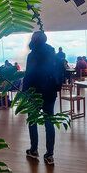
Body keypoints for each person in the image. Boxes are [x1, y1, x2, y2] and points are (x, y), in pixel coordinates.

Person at [23, 31, 59, 165]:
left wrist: (24, 92)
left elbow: (28, 75)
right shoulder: (52, 53)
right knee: (49, 122)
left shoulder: (32, 55)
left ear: (34, 40)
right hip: (50, 93)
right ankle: (49, 154)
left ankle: (34, 149)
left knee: (32, 121)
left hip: (34, 94)